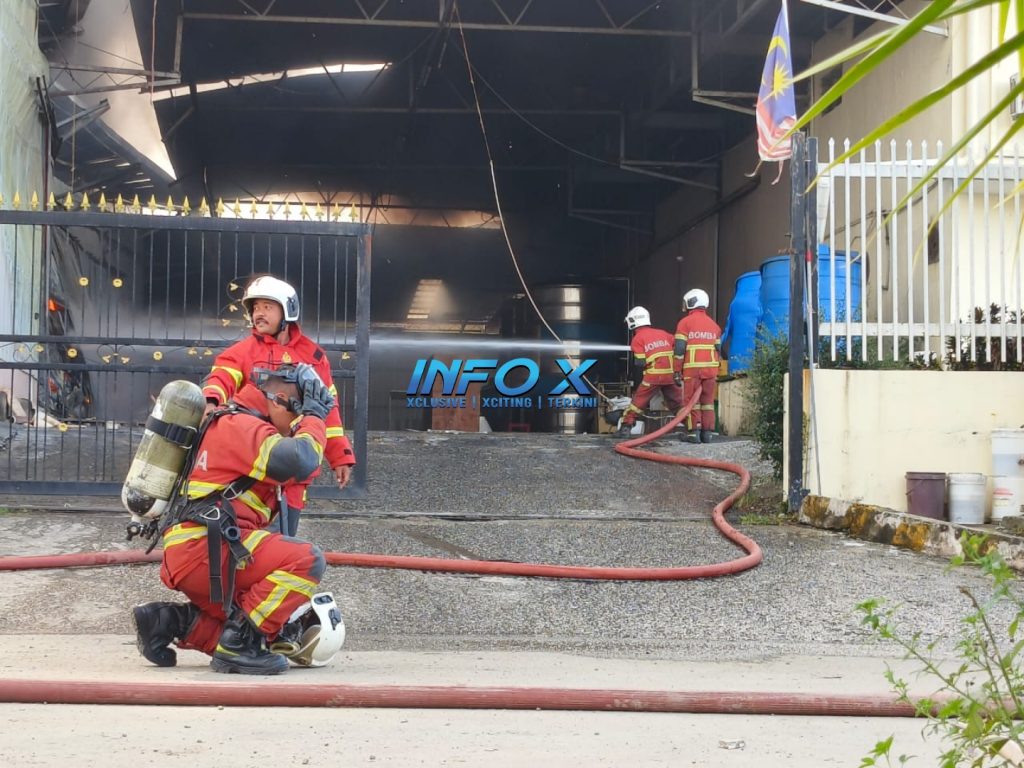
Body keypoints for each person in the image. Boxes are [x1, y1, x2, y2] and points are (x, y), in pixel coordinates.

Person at [132, 363, 338, 675]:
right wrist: (315, 417)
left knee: (247, 625)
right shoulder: (241, 426)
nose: (297, 428)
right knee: (306, 560)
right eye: (297, 417)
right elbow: (301, 460)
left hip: (201, 552)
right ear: (279, 400)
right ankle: (239, 646)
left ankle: (167, 621)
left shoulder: (230, 423)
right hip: (208, 551)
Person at [202, 274, 355, 535]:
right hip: (252, 465)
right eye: (255, 308)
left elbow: (327, 410)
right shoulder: (243, 351)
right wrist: (211, 400)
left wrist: (340, 455)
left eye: (267, 307)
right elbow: (222, 376)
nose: (259, 314)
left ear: (288, 310)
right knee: (244, 537)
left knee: (284, 538)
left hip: (294, 468)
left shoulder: (314, 357)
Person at [616, 306, 685, 438]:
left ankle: (625, 428)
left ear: (633, 321)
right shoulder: (663, 333)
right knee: (678, 405)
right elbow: (679, 347)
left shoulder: (637, 338)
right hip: (670, 375)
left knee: (638, 402)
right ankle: (694, 429)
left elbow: (640, 362)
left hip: (653, 376)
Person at [674, 288, 723, 444]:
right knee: (707, 402)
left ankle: (693, 433)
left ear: (691, 302)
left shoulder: (685, 323)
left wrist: (676, 370)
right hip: (711, 370)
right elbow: (719, 349)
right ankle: (707, 433)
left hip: (692, 368)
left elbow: (679, 349)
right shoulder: (714, 325)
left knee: (691, 402)